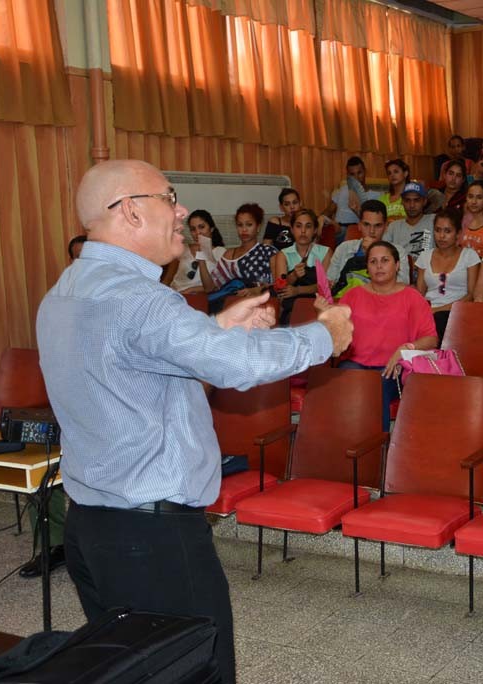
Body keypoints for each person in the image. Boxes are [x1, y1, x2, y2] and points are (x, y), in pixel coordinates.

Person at [36, 160, 353, 684]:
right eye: (169, 196)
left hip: (91, 527)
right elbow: (239, 365)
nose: (181, 210)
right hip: (152, 537)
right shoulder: (140, 299)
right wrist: (325, 336)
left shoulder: (66, 292)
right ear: (131, 210)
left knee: (131, 671)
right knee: (196, 673)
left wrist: (218, 326)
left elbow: (142, 357)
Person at [19, 235, 89, 579]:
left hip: (109, 408)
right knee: (42, 469)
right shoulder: (60, 300)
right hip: (68, 399)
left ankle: (90, 547)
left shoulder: (119, 297)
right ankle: (52, 545)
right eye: (76, 258)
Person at [339, 240, 438, 429]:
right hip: (355, 364)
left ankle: (377, 449)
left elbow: (431, 339)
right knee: (348, 381)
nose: (379, 266)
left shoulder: (412, 297)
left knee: (377, 386)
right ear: (367, 268)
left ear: (397, 264)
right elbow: (335, 332)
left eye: (385, 260)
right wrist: (325, 315)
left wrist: (405, 348)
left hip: (393, 368)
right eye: (373, 262)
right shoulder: (353, 295)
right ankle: (346, 443)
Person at [416, 208, 481, 341]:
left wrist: (439, 309)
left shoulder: (469, 255)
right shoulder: (424, 256)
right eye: (438, 230)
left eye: (447, 231)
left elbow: (471, 295)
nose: (441, 236)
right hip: (429, 312)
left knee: (439, 319)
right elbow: (419, 294)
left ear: (458, 234)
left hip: (457, 313)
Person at [329, 200, 410, 295]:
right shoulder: (344, 248)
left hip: (383, 302)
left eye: (378, 225)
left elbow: (403, 285)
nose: (372, 231)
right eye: (366, 225)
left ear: (386, 226)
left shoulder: (398, 251)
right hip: (347, 303)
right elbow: (329, 283)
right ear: (359, 225)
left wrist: (373, 251)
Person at [269, 208, 333, 323]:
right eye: (298, 226)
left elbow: (325, 287)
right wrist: (293, 276)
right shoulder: (283, 254)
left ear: (314, 230)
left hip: (319, 305)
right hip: (292, 307)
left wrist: (298, 290)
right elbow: (280, 288)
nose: (303, 231)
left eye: (308, 226)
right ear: (292, 229)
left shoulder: (326, 252)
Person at [208, 203, 277, 295]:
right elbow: (210, 288)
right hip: (232, 304)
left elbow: (278, 286)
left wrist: (257, 290)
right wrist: (201, 257)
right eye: (240, 225)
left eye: (249, 225)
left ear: (258, 227)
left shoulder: (268, 252)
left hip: (262, 303)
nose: (244, 229)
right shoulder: (228, 255)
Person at [162, 210, 226, 293]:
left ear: (211, 229)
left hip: (200, 297)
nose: (197, 232)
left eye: (201, 227)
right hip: (175, 294)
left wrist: (191, 290)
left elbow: (219, 286)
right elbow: (168, 279)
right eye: (193, 229)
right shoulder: (181, 248)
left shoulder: (221, 252)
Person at [324, 156, 377, 243]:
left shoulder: (375, 195)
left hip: (357, 229)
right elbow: (329, 210)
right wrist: (317, 220)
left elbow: (372, 221)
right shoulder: (342, 190)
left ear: (365, 172)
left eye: (359, 173)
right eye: (352, 174)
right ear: (348, 175)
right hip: (337, 228)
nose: (356, 178)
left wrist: (357, 210)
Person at [383, 181, 434, 265]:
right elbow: (384, 254)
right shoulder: (393, 227)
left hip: (429, 273)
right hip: (402, 274)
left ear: (424, 201)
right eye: (407, 200)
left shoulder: (434, 220)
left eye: (416, 200)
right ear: (402, 202)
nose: (412, 205)